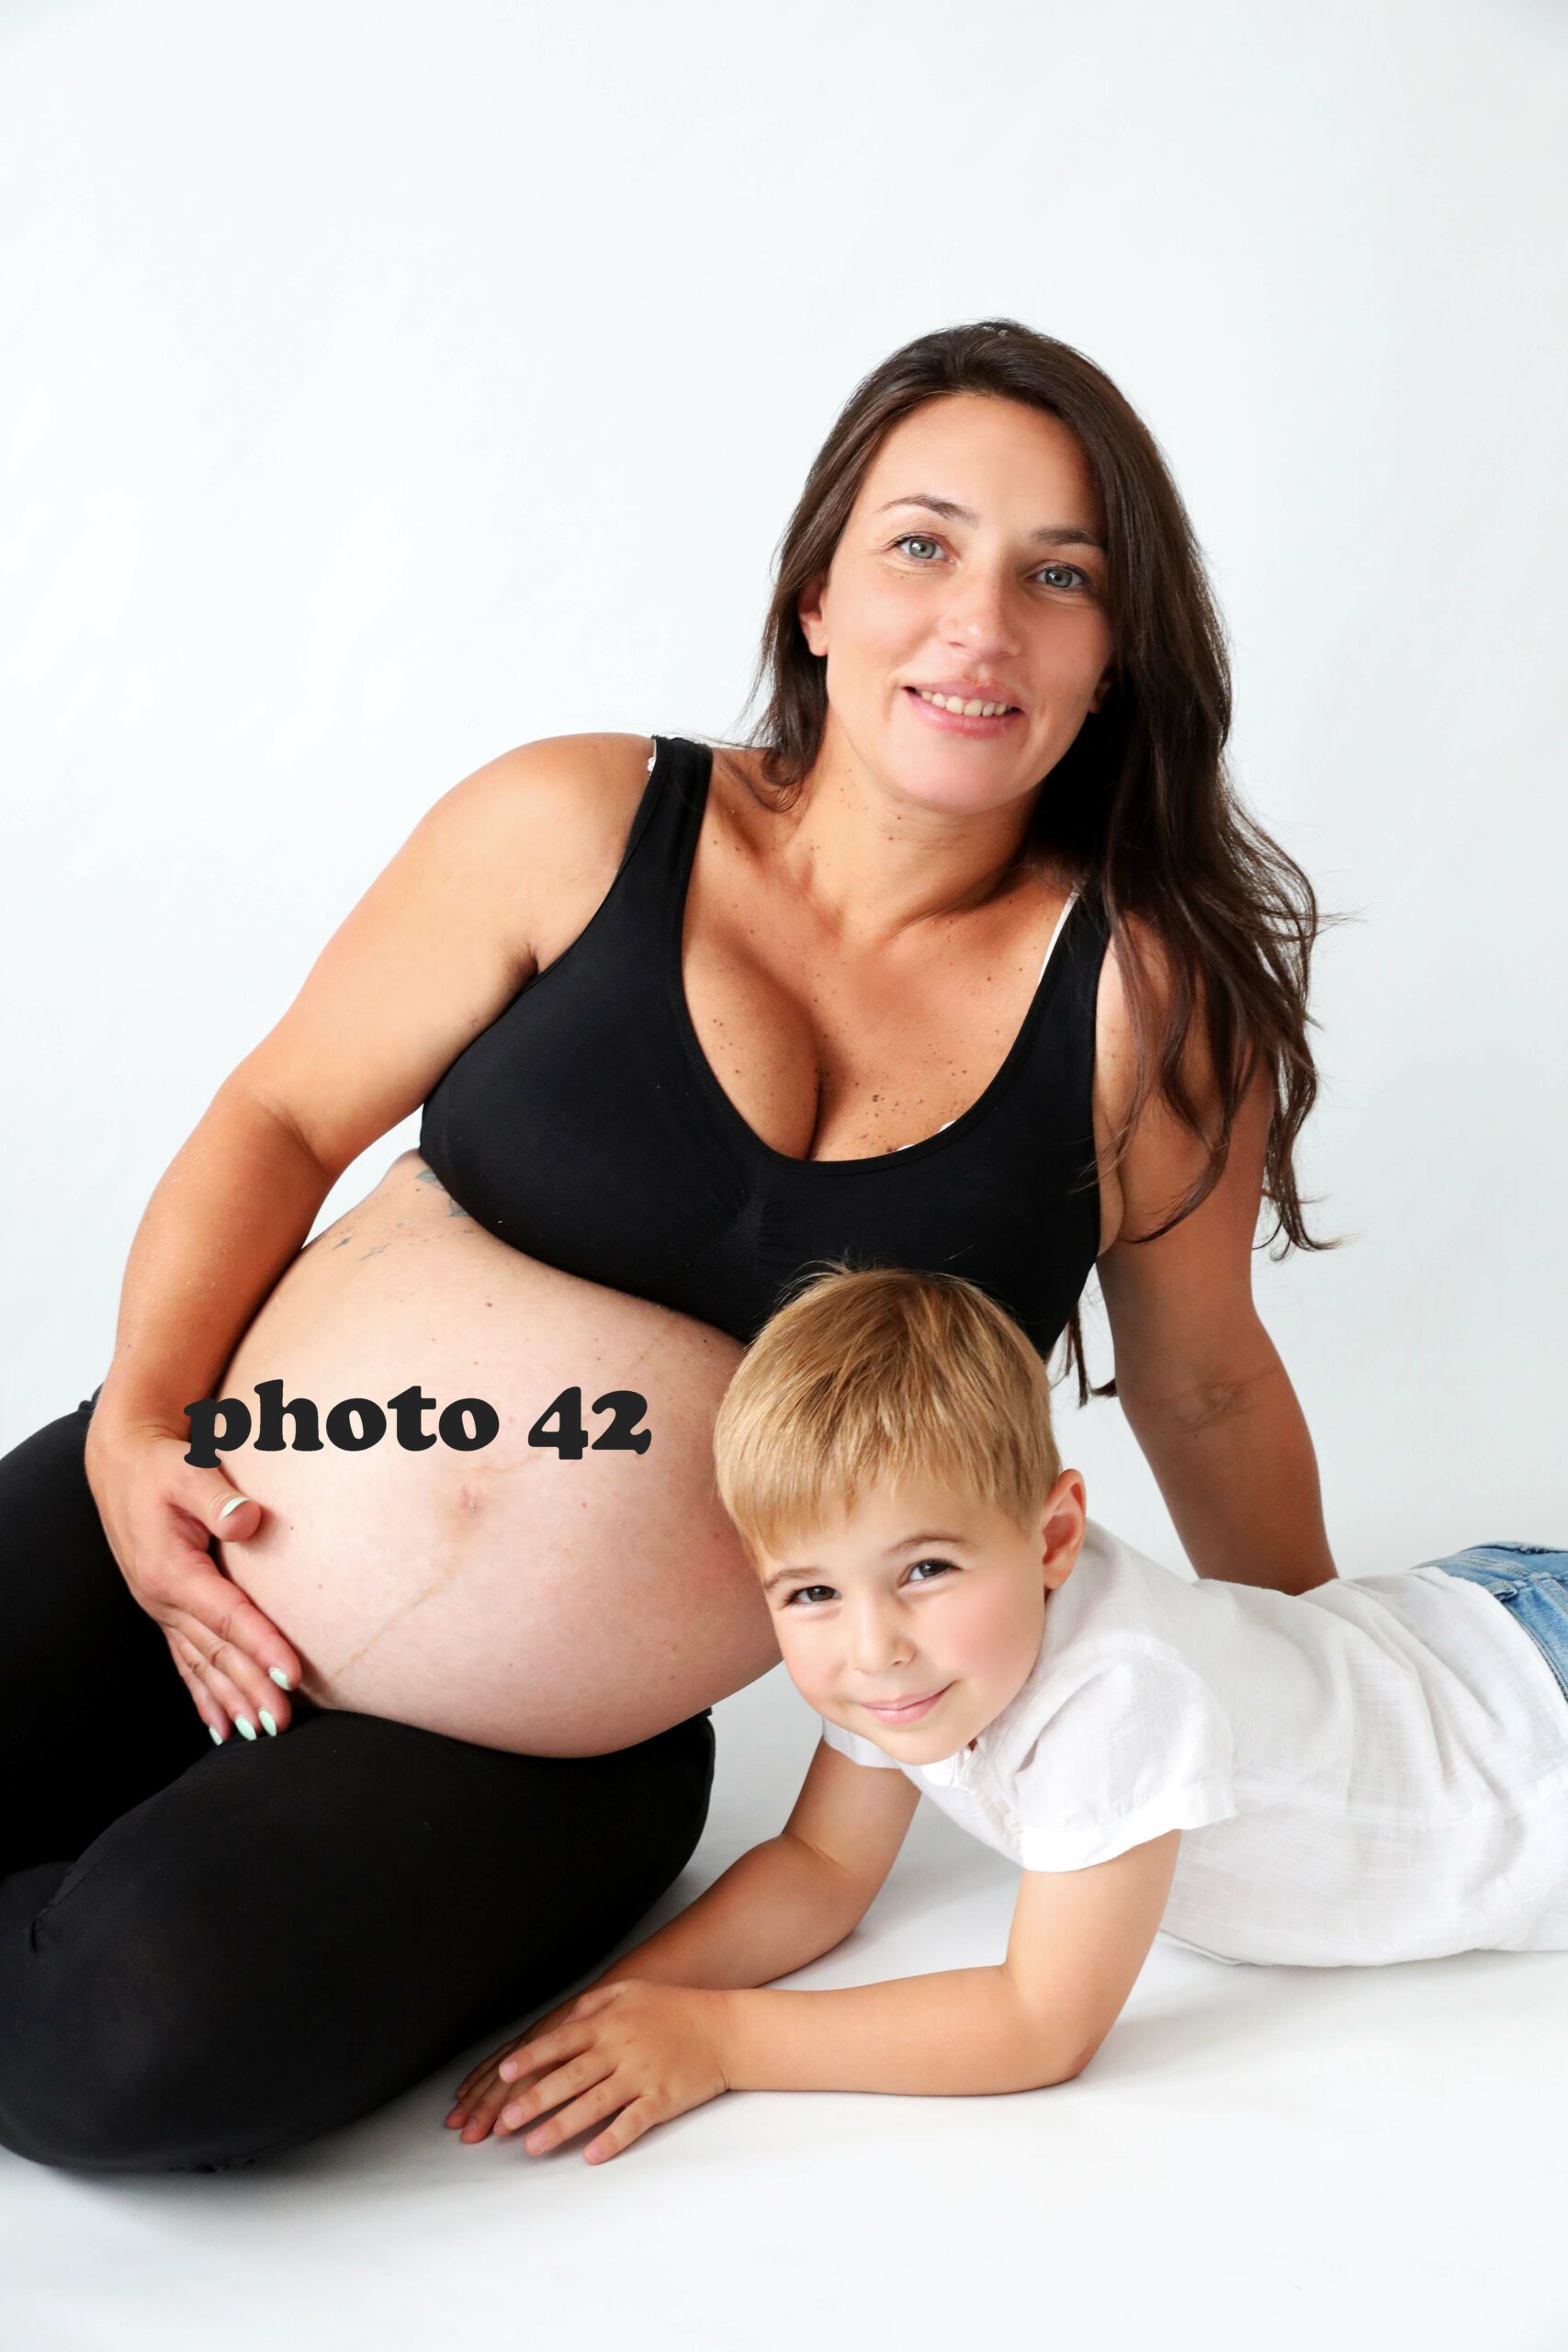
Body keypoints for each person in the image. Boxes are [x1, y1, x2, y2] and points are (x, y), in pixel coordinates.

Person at [0, 317, 1338, 2176]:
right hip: (177, 1514)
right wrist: (145, 1419)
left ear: (1116, 653)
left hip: (540, 1754)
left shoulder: (1138, 1012)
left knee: (132, 2042)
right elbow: (281, 1118)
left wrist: (1335, 1701)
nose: (978, 625)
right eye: (923, 545)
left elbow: (1203, 1385)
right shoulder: (579, 820)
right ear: (815, 595)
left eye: (1060, 576)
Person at [447, 1265, 1568, 2166]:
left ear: (1052, 1537)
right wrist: (623, 2005)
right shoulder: (913, 1661)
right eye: (812, 1592)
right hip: (1461, 1622)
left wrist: (721, 2039)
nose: (873, 1644)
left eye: (926, 1568)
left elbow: (1041, 2022)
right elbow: (821, 1868)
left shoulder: (1117, 1694)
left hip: (1532, 1728)